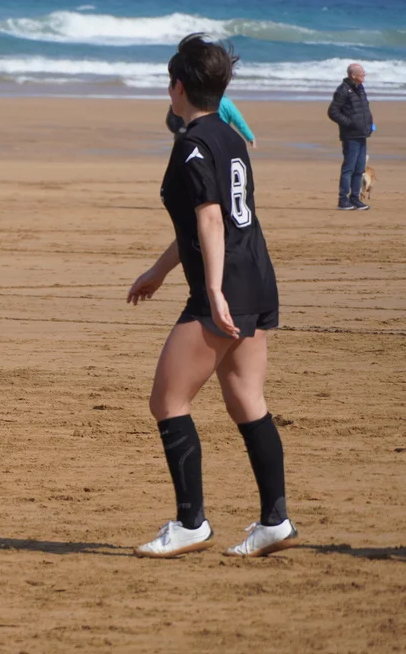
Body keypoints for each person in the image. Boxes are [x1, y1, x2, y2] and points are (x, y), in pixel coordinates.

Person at [128, 34, 299, 558]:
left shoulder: (192, 144)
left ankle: (191, 524)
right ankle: (275, 521)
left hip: (225, 289)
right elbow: (206, 222)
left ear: (178, 87)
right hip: (256, 279)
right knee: (246, 400)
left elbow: (210, 220)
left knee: (167, 401)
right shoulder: (230, 137)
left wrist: (212, 291)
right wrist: (159, 271)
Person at [328, 63, 374, 210]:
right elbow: (333, 112)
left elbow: (364, 109)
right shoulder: (343, 90)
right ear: (353, 75)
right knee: (349, 168)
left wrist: (369, 125)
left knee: (359, 169)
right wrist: (349, 124)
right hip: (350, 136)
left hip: (362, 134)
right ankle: (343, 200)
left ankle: (355, 199)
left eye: (364, 73)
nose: (364, 75)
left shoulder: (360, 88)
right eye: (361, 73)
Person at [166, 96, 256, 148]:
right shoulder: (226, 103)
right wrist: (250, 137)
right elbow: (239, 121)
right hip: (221, 139)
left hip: (203, 138)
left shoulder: (202, 101)